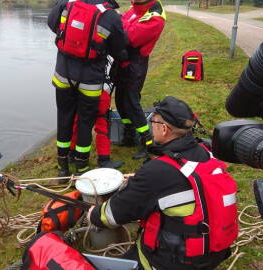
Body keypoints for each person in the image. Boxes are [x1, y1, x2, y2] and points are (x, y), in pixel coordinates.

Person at [87, 96, 235, 270]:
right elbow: (178, 181)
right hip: (214, 252)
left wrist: (94, 215)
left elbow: (114, 214)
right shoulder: (207, 150)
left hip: (175, 262)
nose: (150, 124)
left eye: (153, 120)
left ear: (164, 129)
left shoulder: (154, 173)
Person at [47, 0, 128, 176]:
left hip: (63, 74)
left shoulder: (67, 4)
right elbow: (120, 47)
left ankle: (62, 169)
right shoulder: (111, 15)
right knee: (85, 123)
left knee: (64, 119)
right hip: (90, 81)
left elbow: (52, 24)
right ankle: (81, 167)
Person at [113, 0, 166, 159]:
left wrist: (117, 20)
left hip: (136, 63)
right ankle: (130, 135)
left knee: (131, 101)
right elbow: (124, 22)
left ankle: (147, 140)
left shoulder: (155, 18)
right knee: (120, 100)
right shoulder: (135, 9)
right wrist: (120, 19)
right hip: (123, 60)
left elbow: (131, 37)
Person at [69, 89, 124, 169]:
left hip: (79, 95)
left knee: (77, 123)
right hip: (97, 94)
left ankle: (72, 154)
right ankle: (104, 160)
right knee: (102, 125)